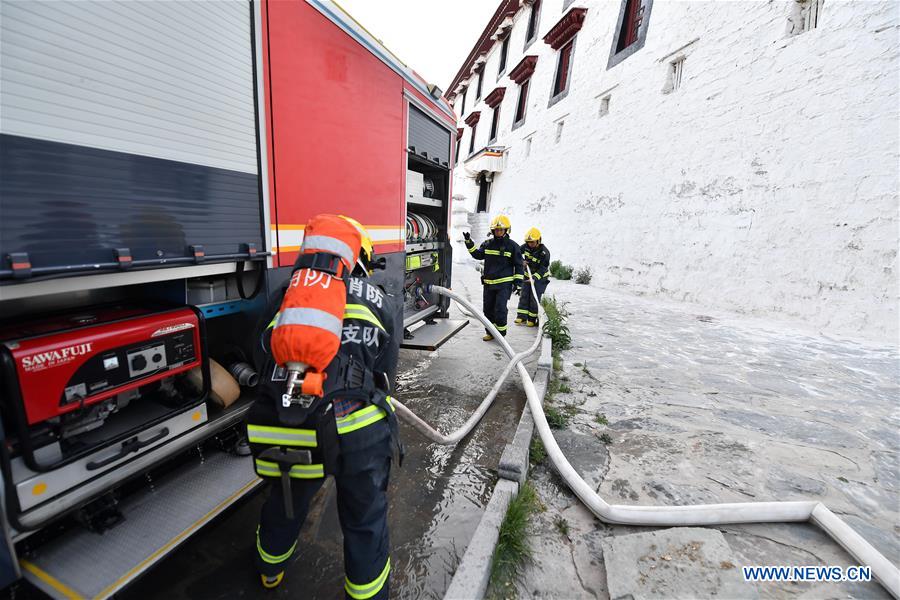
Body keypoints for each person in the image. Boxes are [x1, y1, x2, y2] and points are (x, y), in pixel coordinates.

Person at [246, 214, 402, 599]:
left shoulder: (285, 295)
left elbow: (261, 355)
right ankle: (366, 594)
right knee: (364, 518)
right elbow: (386, 370)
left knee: (286, 500)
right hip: (360, 430)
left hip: (297, 420)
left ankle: (270, 571)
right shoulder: (378, 299)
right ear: (359, 256)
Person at [463, 214, 523, 341]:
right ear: (492, 231)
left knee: (500, 309)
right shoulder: (488, 244)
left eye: (501, 229)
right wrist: (469, 243)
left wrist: (518, 284)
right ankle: (490, 333)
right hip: (489, 284)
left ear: (506, 230)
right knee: (488, 310)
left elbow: (519, 266)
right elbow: (477, 255)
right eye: (496, 230)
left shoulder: (513, 246)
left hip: (504, 285)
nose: (498, 232)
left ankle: (500, 335)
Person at [515, 227, 551, 327]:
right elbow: (516, 252)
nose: (530, 244)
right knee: (524, 295)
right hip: (527, 275)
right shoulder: (526, 246)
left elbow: (543, 268)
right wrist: (521, 261)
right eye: (528, 242)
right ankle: (521, 317)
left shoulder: (544, 252)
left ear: (538, 240)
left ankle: (532, 319)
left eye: (532, 242)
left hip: (540, 278)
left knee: (534, 297)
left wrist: (534, 278)